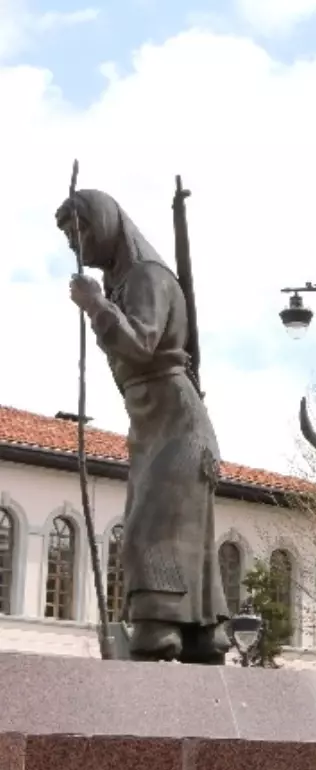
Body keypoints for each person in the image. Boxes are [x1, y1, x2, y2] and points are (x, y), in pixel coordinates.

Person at [59, 188, 230, 664]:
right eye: (70, 241)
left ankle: (157, 628)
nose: (77, 248)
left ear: (105, 223)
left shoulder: (147, 278)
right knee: (179, 529)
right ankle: (202, 635)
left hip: (178, 423)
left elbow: (141, 345)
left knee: (148, 529)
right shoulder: (123, 283)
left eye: (81, 233)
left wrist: (95, 307)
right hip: (152, 424)